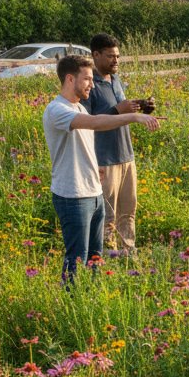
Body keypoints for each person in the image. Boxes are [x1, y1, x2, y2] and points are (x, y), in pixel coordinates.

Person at [43, 55, 158, 284]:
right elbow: (96, 123)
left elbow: (84, 140)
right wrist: (133, 117)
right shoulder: (57, 110)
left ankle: (91, 294)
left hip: (93, 192)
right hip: (73, 196)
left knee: (95, 258)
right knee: (77, 258)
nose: (92, 85)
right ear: (70, 79)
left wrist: (94, 167)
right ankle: (71, 298)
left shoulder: (78, 107)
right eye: (87, 79)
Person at [83, 33, 150, 255]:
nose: (116, 60)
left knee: (128, 210)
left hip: (126, 155)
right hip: (104, 158)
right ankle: (106, 255)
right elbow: (87, 121)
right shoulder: (89, 85)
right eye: (111, 56)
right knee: (107, 213)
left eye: (118, 56)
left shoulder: (116, 80)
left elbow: (121, 111)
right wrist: (117, 110)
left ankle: (128, 252)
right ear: (96, 55)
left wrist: (140, 106)